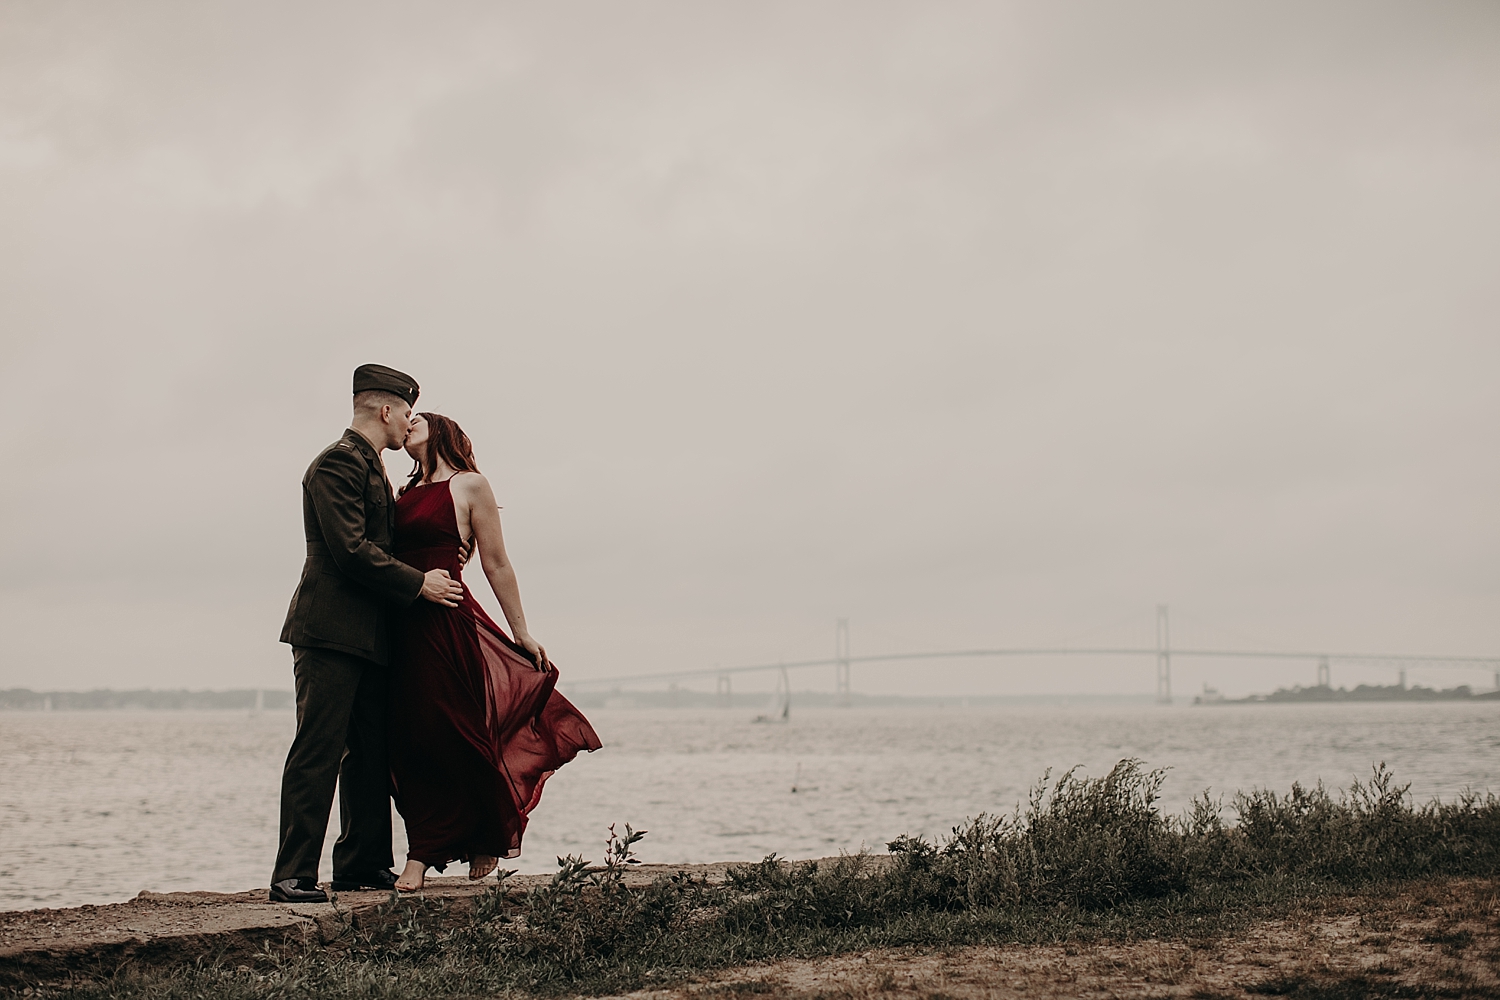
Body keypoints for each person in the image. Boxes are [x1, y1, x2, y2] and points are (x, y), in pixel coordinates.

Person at [269, 365, 466, 904]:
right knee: (319, 749)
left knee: (370, 754)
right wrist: (419, 583)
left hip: (373, 634)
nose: (410, 423)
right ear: (385, 411)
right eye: (406, 412)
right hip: (330, 631)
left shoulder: (375, 467)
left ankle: (361, 864)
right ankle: (293, 876)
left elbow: (394, 540)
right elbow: (350, 550)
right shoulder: (338, 462)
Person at [388, 411, 600, 892]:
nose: (407, 424)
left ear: (441, 430)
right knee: (408, 738)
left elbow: (497, 562)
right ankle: (433, 839)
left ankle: (434, 851)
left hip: (446, 623)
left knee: (457, 730)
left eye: (416, 419)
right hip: (401, 626)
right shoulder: (401, 494)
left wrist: (521, 630)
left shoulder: (470, 485)